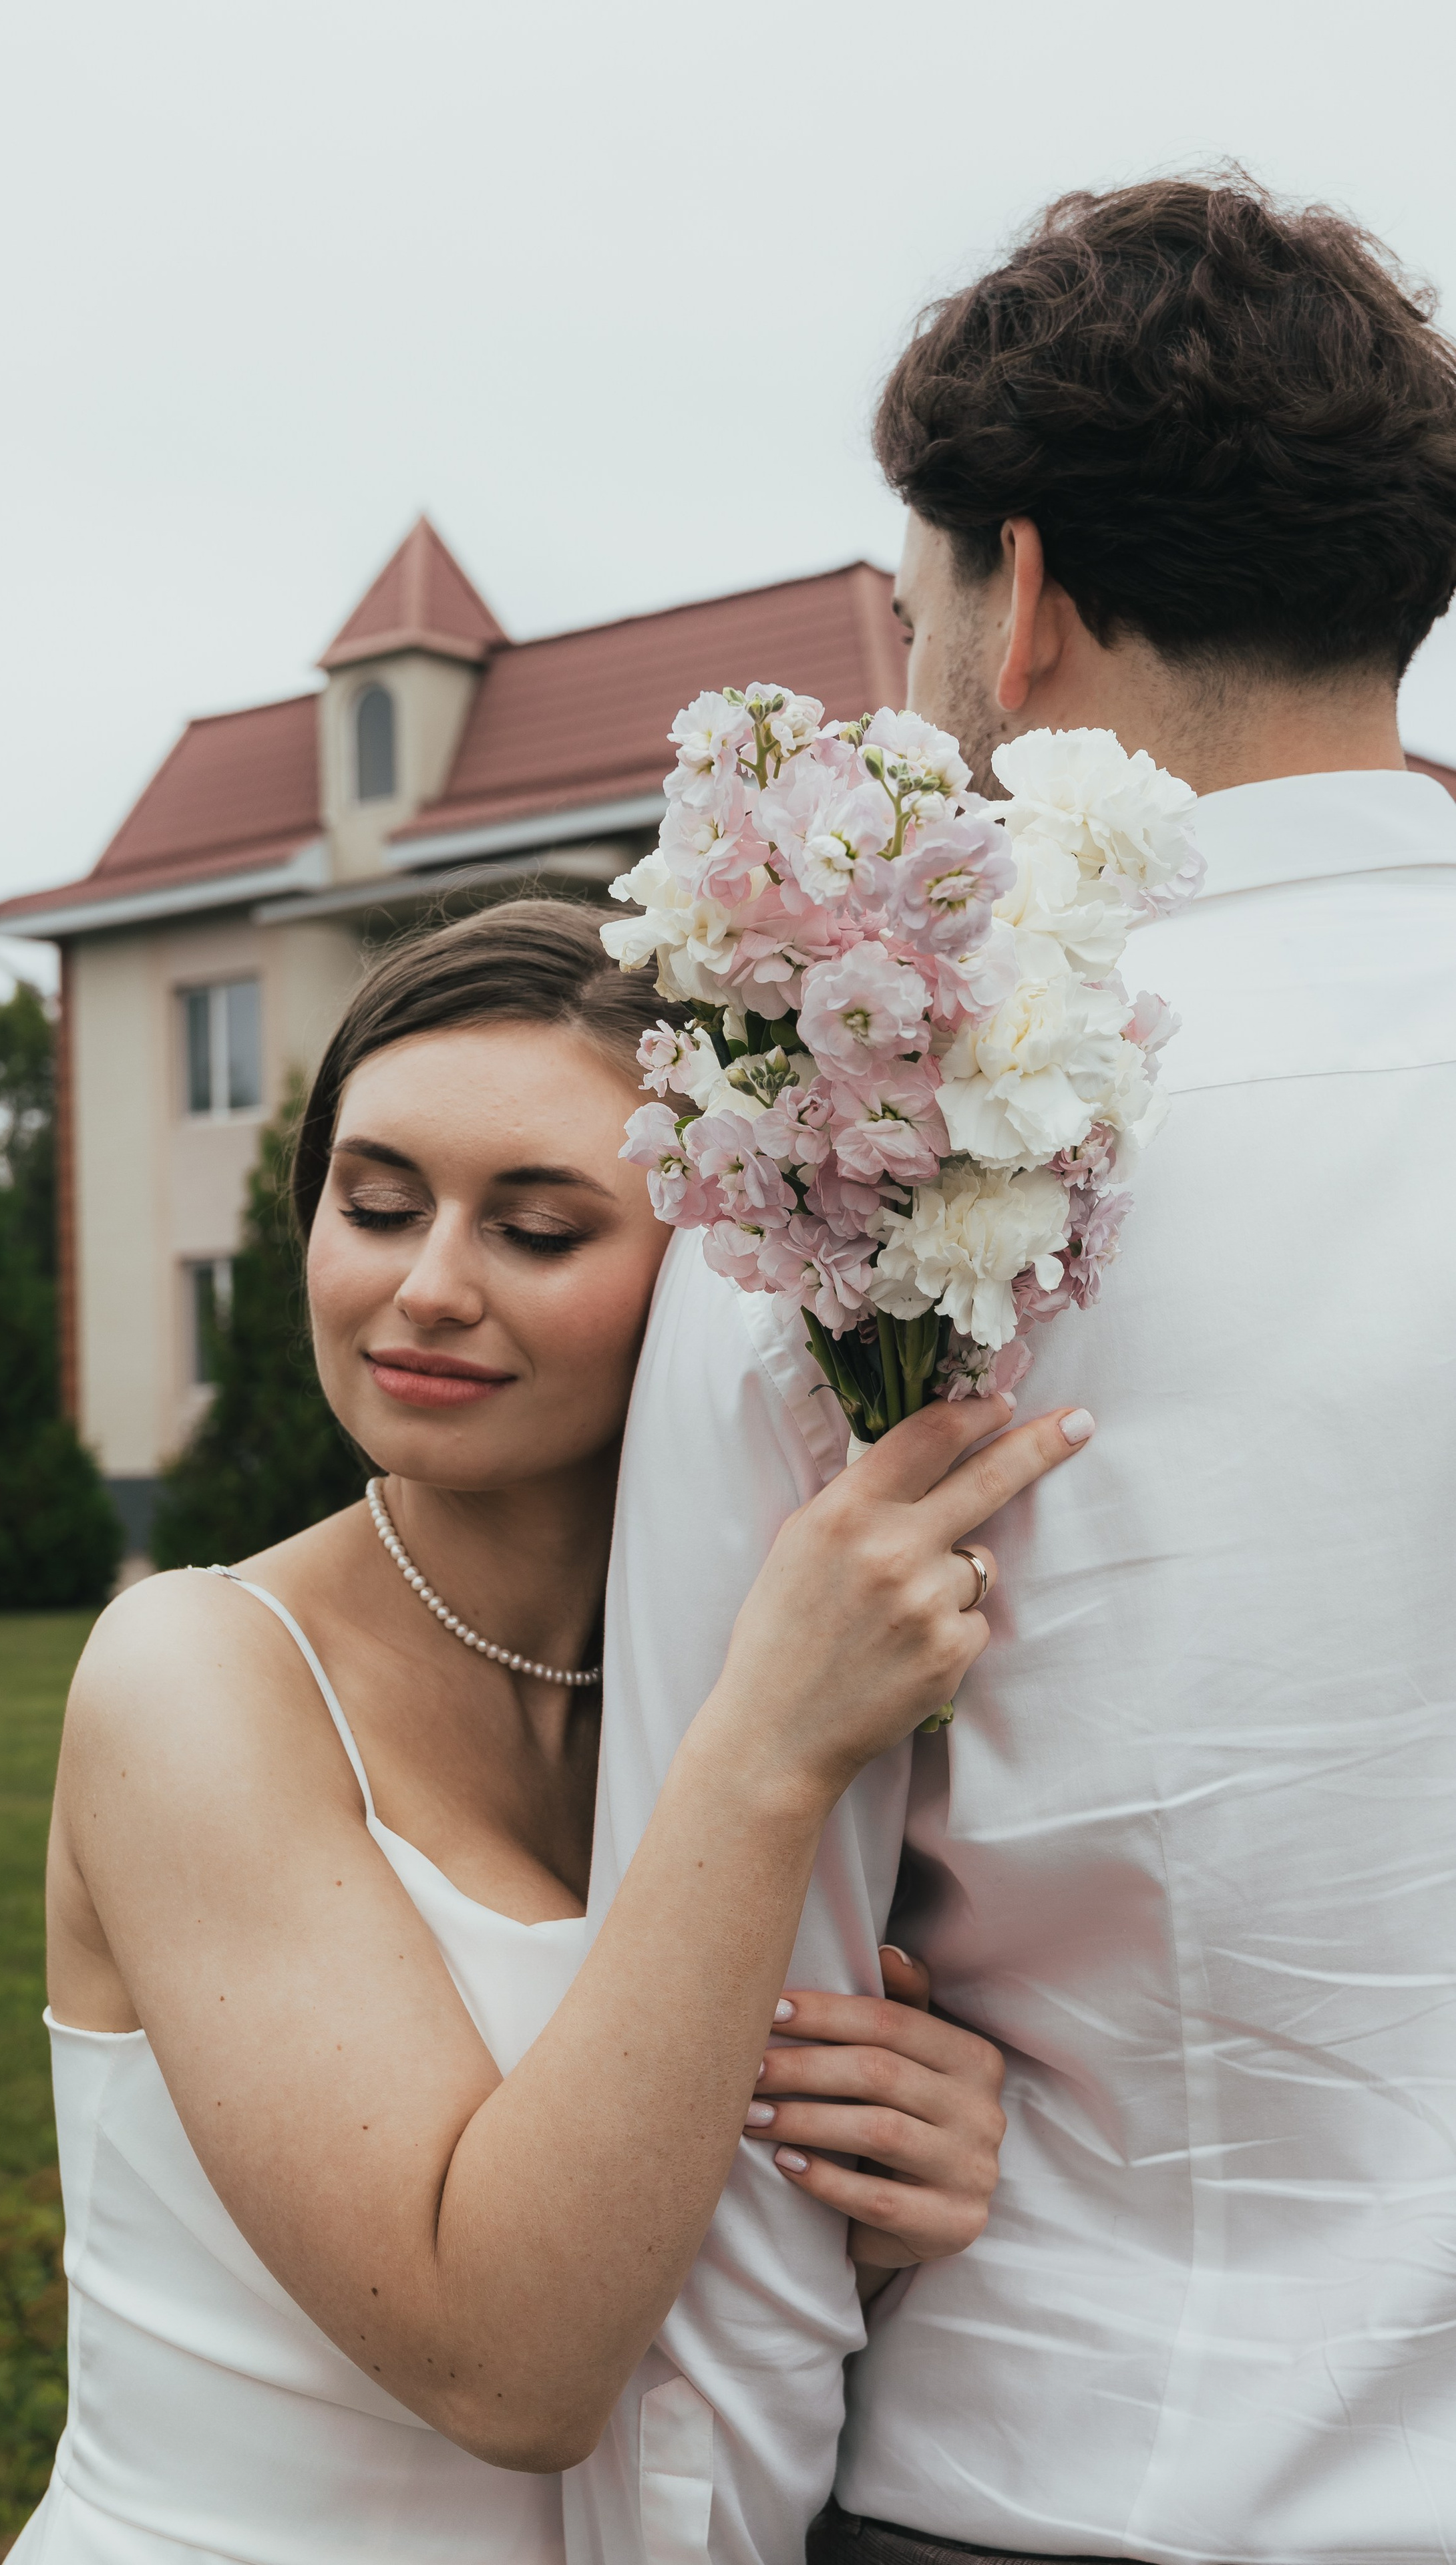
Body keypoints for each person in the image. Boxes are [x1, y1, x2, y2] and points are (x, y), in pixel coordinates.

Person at [567, 176, 1456, 2565]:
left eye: (916, 602)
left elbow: (733, 2018)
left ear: (1024, 597)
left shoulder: (852, 1161)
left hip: (1083, 2472)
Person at [8, 900, 1083, 2565]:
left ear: (711, 1277)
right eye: (374, 1206)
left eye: (537, 1230)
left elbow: (683, 2243)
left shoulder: (785, 1670)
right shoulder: (195, 1675)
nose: (424, 1288)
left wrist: (893, 2189)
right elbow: (504, 2366)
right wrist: (764, 1755)